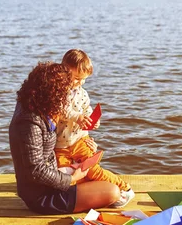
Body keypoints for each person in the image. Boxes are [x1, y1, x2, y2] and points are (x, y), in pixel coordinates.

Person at [9, 61, 121, 215]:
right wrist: (71, 179)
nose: (66, 98)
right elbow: (36, 170)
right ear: (51, 94)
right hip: (43, 196)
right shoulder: (29, 122)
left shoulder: (35, 106)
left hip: (56, 177)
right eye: (63, 94)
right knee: (112, 192)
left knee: (97, 176)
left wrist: (83, 141)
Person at [55, 49, 135, 208]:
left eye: (83, 79)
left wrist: (92, 119)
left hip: (80, 139)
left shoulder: (82, 93)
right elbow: (61, 109)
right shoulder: (58, 92)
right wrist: (77, 117)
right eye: (77, 78)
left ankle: (124, 187)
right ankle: (91, 193)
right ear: (64, 71)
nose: (80, 82)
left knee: (91, 168)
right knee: (64, 175)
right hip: (60, 145)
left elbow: (86, 110)